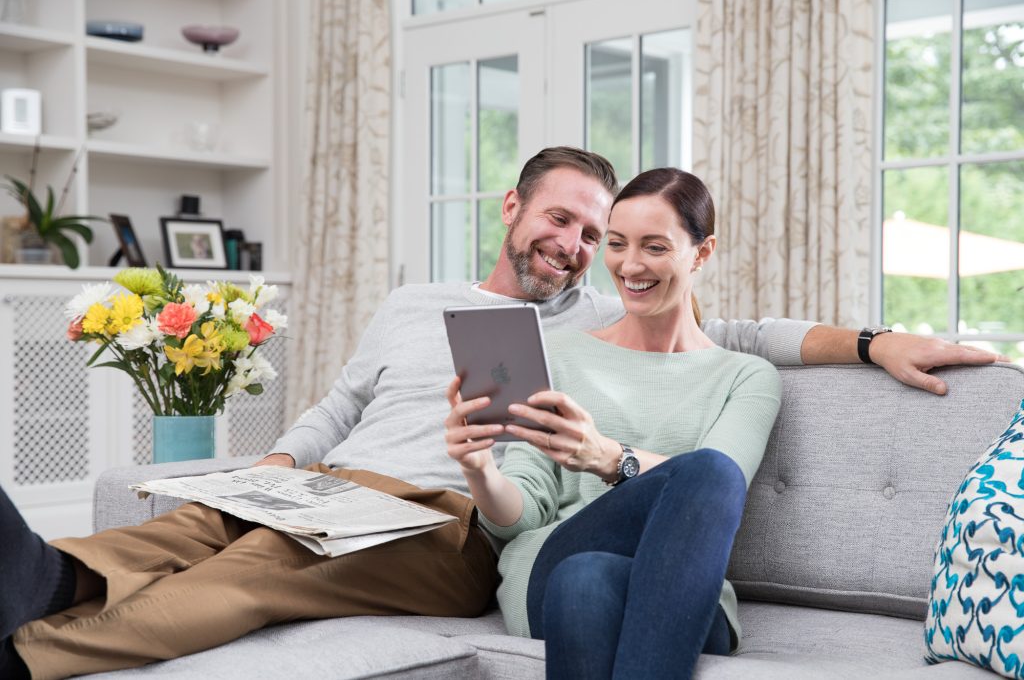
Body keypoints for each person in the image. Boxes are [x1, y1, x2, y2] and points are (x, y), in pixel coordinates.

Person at [0, 147, 1002, 679]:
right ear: (511, 208)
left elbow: (745, 332)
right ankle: (43, 578)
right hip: (329, 484)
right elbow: (335, 404)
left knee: (257, 569)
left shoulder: (595, 317)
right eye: (563, 220)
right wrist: (265, 465)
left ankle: (32, 655)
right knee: (189, 524)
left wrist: (873, 343)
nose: (579, 246)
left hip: (437, 519)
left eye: (597, 233)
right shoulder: (412, 303)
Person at [444, 167, 779, 679]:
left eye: (655, 247)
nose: (630, 265)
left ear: (702, 253)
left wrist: (606, 457)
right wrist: (479, 469)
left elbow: (717, 489)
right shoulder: (562, 354)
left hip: (687, 591)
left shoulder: (747, 377)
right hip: (550, 569)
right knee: (579, 572)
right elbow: (524, 513)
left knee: (703, 478)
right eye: (617, 244)